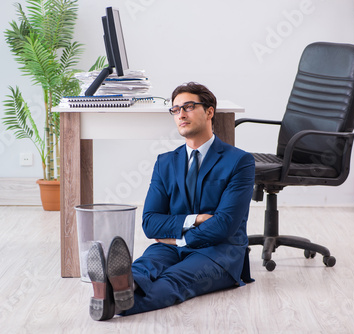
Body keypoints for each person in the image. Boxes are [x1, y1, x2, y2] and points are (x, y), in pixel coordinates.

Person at [87, 82, 255, 320]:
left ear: (209, 112)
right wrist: (195, 219)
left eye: (188, 107)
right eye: (175, 110)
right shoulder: (165, 162)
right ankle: (116, 289)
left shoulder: (239, 161)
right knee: (141, 268)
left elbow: (225, 225)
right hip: (167, 247)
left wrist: (179, 237)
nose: (181, 114)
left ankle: (111, 300)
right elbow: (150, 223)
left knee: (176, 280)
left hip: (219, 252)